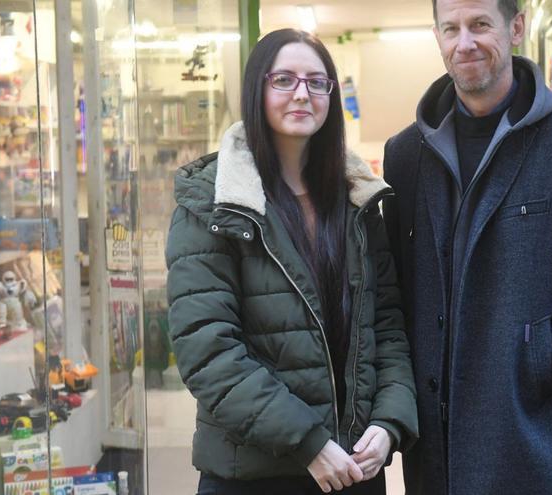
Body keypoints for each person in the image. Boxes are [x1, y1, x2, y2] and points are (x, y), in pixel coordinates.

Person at [380, 0, 552, 493]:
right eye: (451, 28)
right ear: (436, 36)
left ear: (516, 27)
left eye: (481, 25)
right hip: (438, 453)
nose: (465, 42)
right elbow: (396, 288)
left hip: (539, 440)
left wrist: (541, 360)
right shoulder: (405, 155)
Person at [166, 29, 418, 495]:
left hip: (353, 468)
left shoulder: (358, 202)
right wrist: (309, 443)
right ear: (256, 90)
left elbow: (388, 327)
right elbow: (207, 350)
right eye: (283, 79)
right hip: (255, 473)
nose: (302, 93)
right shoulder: (214, 203)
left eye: (316, 81)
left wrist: (388, 422)